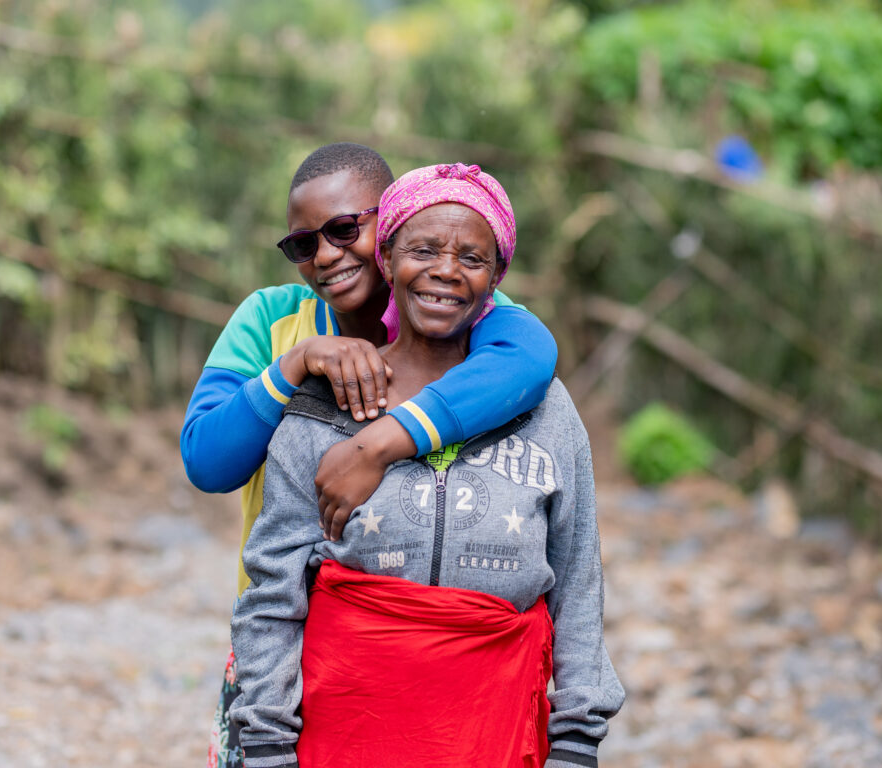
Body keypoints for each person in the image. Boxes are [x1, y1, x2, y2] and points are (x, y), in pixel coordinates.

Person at [230, 163, 623, 768]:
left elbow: (576, 577)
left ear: (496, 279)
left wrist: (576, 738)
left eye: (472, 258)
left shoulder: (546, 411)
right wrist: (266, 741)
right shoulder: (320, 410)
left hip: (495, 728)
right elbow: (274, 589)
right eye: (424, 249)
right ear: (387, 260)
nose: (445, 270)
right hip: (345, 728)